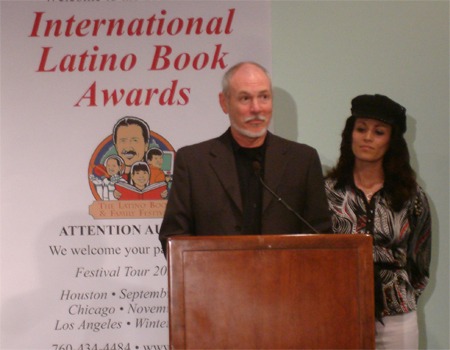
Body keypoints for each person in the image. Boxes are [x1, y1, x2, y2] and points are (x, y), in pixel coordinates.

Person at [159, 61, 332, 255]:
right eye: (245, 98)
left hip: (286, 280)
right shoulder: (193, 162)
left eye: (264, 97)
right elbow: (173, 238)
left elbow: (320, 234)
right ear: (224, 102)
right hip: (217, 282)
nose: (256, 108)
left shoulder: (302, 160)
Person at [324, 94, 431, 349]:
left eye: (379, 131)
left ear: (391, 141)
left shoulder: (411, 197)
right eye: (361, 129)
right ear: (350, 134)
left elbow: (420, 263)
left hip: (397, 317)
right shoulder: (327, 192)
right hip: (338, 311)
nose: (367, 137)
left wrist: (396, 294)